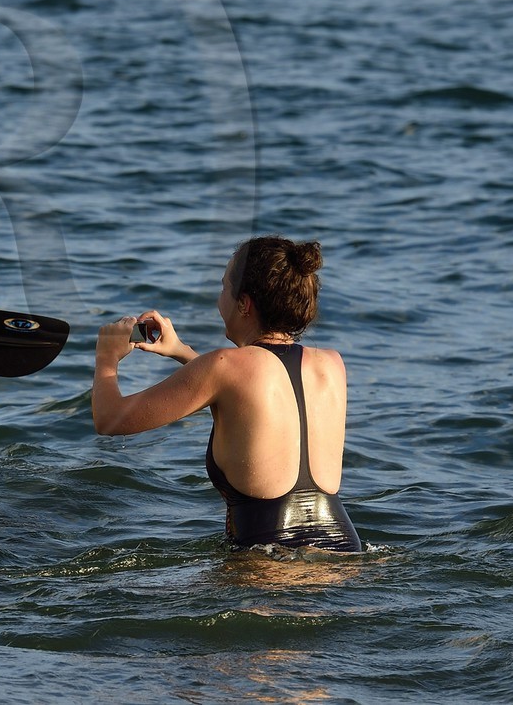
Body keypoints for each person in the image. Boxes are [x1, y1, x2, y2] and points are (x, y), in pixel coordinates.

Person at [92, 236, 363, 553]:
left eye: (223, 288)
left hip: (266, 568)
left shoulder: (224, 368)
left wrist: (106, 359)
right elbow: (253, 400)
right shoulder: (331, 364)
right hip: (344, 555)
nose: (218, 299)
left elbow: (110, 418)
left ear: (244, 304)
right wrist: (181, 352)